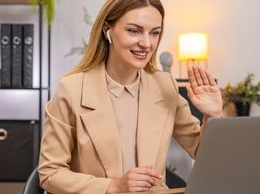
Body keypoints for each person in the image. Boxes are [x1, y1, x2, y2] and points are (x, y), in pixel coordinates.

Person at [38, 0, 223, 193]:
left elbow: (204, 155)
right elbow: (51, 173)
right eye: (134, 31)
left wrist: (212, 115)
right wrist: (112, 186)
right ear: (107, 30)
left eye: (154, 32)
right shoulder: (71, 89)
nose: (146, 43)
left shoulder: (165, 85)